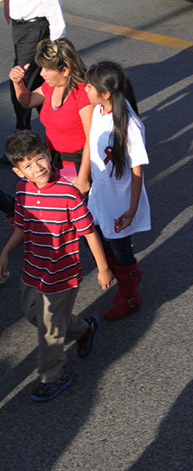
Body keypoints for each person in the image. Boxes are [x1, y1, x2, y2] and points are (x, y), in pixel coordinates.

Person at [0, 131, 113, 401]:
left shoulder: (68, 193)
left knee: (49, 329)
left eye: (39, 159)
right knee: (32, 314)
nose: (37, 167)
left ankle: (54, 376)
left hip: (62, 272)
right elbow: (21, 226)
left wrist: (103, 267)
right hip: (33, 268)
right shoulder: (23, 191)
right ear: (17, 171)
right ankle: (84, 329)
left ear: (48, 155)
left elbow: (88, 232)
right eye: (27, 165)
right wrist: (5, 252)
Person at [84, 61, 151, 320]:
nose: (86, 89)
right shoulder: (99, 110)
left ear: (107, 93)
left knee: (119, 246)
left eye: (90, 86)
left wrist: (131, 209)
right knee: (96, 238)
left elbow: (137, 171)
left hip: (119, 199)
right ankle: (130, 276)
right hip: (99, 193)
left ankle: (129, 295)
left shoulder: (130, 124)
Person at [0, 0, 65, 159]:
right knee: (39, 84)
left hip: (37, 29)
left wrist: (57, 44)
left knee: (20, 82)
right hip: (19, 29)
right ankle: (57, 139)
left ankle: (22, 140)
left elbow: (52, 0)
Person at [9, 38, 93, 193]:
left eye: (46, 70)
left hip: (77, 163)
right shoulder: (49, 87)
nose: (42, 74)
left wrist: (83, 178)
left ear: (65, 70)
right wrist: (18, 82)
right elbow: (26, 102)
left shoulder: (83, 95)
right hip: (53, 160)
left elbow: (91, 140)